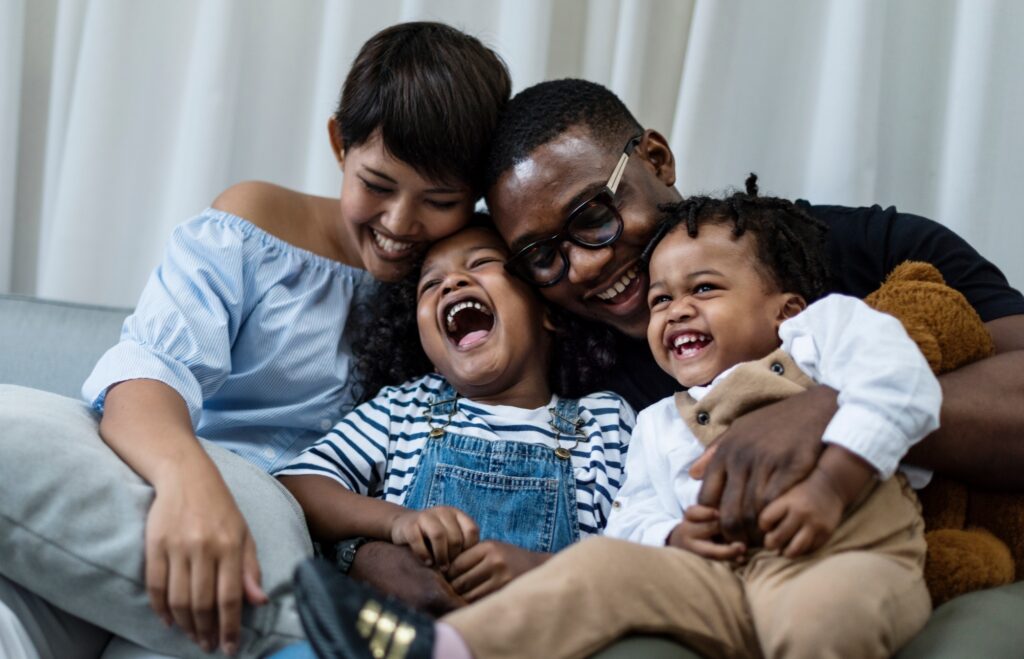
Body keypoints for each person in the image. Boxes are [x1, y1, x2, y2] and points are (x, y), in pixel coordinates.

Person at [347, 78, 1024, 654]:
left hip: (877, 559)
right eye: (542, 255)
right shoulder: (577, 368)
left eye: (592, 214)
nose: (583, 265)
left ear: (657, 159)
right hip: (712, 585)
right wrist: (372, 550)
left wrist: (820, 410)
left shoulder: (851, 256)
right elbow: (618, 524)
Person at [0, 21, 510, 659]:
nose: (400, 224)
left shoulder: (463, 295)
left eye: (440, 200)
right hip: (163, 472)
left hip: (282, 530)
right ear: (338, 145)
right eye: (377, 185)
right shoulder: (254, 226)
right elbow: (150, 372)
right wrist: (189, 485)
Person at [289, 179, 943, 659]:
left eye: (704, 289)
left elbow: (903, 381)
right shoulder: (660, 420)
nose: (675, 310)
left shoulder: (823, 334)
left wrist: (832, 482)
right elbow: (628, 521)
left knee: (823, 616)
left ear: (786, 307)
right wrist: (674, 540)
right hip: (721, 585)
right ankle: (445, 649)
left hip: (844, 555)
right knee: (604, 566)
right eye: (660, 300)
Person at [271, 220, 633, 659]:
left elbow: (635, 561)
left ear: (547, 311)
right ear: (428, 348)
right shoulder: (405, 408)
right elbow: (299, 484)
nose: (454, 282)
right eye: (430, 284)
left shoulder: (603, 422)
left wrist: (539, 570)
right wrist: (394, 521)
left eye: (480, 263)